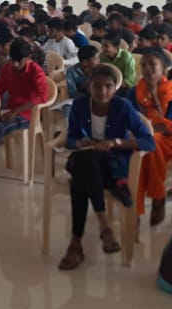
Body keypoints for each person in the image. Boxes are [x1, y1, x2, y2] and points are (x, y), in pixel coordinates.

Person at [57, 64, 156, 270]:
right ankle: (104, 227)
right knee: (87, 160)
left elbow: (148, 141)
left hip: (113, 164)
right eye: (97, 86)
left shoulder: (123, 106)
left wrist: (116, 143)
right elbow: (71, 138)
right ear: (88, 87)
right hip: (86, 159)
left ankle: (76, 244)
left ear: (115, 88)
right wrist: (79, 142)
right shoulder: (79, 105)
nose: (103, 91)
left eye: (108, 86)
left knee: (79, 181)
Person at [131, 48, 172, 225]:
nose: (147, 69)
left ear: (163, 68)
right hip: (142, 137)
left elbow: (169, 125)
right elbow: (129, 117)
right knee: (136, 153)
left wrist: (155, 96)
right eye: (144, 65)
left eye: (152, 64)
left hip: (170, 140)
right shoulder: (136, 90)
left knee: (149, 143)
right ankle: (139, 206)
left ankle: (155, 197)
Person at [0, 38, 49, 164]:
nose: (15, 64)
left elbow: (42, 97)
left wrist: (16, 111)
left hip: (28, 114)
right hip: (10, 110)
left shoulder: (36, 71)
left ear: (28, 58)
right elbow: (0, 90)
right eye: (13, 60)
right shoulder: (7, 68)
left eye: (19, 61)